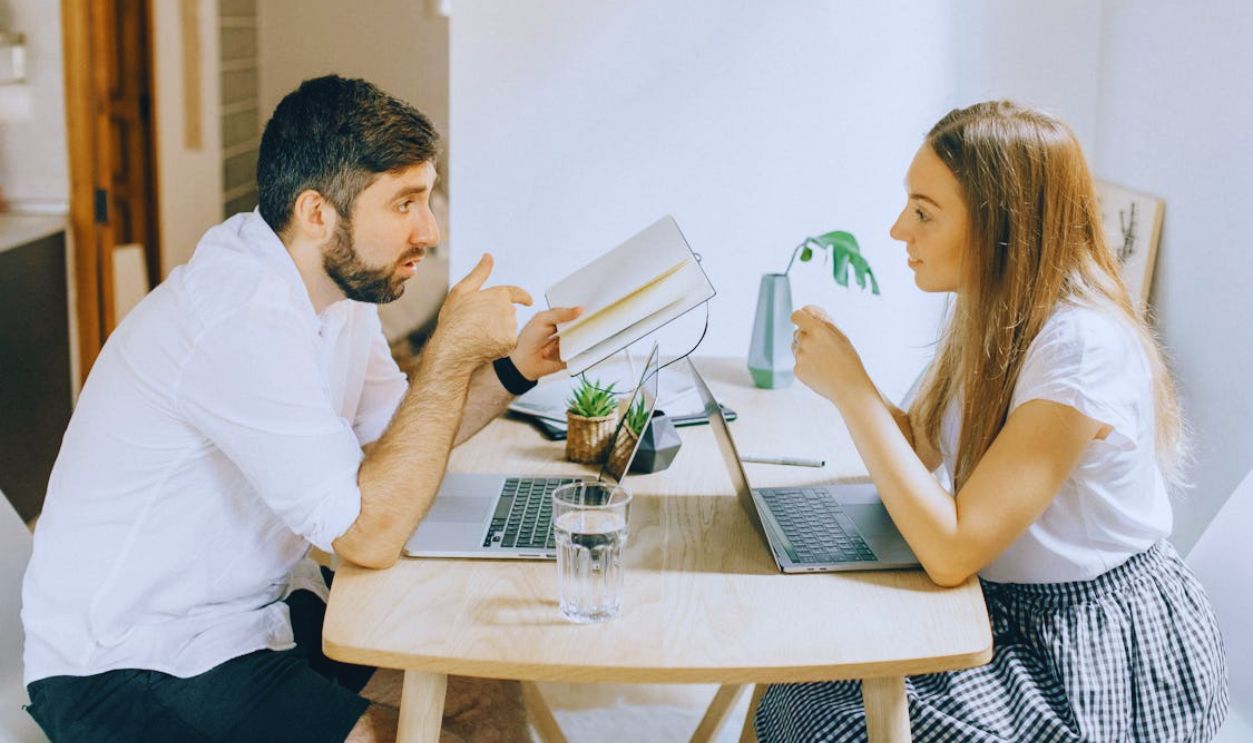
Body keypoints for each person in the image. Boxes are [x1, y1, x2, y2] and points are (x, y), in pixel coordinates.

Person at [21, 75, 577, 742]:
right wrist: (451, 351)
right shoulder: (239, 315)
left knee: (478, 686)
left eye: (425, 200)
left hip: (256, 614)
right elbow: (366, 536)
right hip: (132, 664)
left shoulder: (337, 294)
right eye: (404, 203)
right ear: (318, 213)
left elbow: (405, 439)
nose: (428, 231)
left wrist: (513, 367)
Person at [757, 101, 1229, 742]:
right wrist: (849, 386)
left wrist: (853, 392)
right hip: (1009, 608)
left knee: (827, 714)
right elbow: (921, 449)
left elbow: (952, 552)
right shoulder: (990, 314)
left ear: (999, 226)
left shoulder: (1081, 350)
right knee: (797, 671)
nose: (899, 230)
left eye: (924, 212)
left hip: (1092, 652)